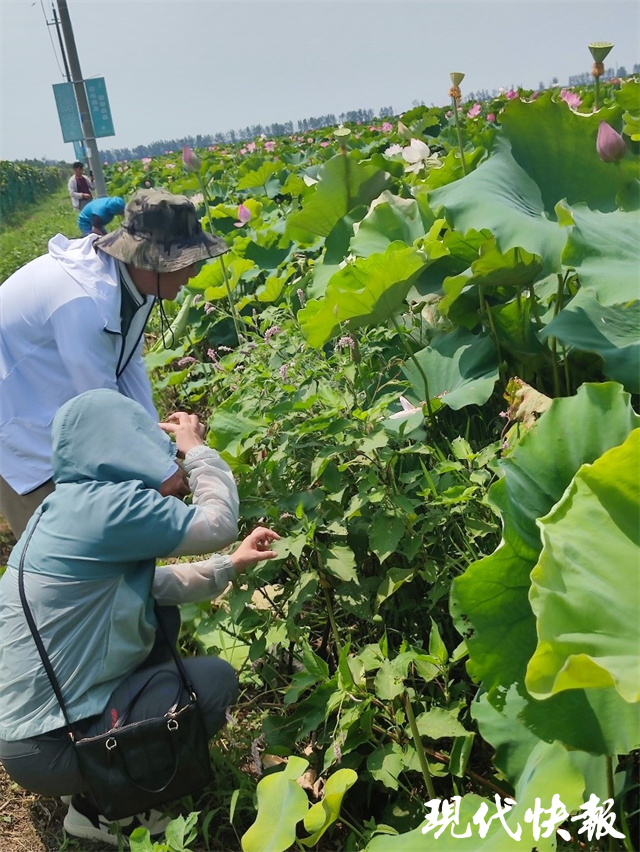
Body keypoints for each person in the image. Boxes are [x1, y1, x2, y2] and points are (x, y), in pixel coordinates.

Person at [0, 388, 280, 846]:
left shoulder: (68, 506)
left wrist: (232, 564)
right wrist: (197, 450)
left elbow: (150, 589)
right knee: (210, 686)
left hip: (32, 741)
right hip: (49, 749)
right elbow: (217, 523)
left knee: (160, 619)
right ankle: (102, 807)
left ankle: (93, 778)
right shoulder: (110, 509)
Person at [0, 188, 229, 538]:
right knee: (62, 549)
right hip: (17, 421)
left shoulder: (130, 284)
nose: (195, 271)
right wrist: (160, 470)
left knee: (105, 526)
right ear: (151, 259)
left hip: (49, 390)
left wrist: (160, 449)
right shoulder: (85, 301)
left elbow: (129, 368)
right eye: (187, 259)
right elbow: (101, 408)